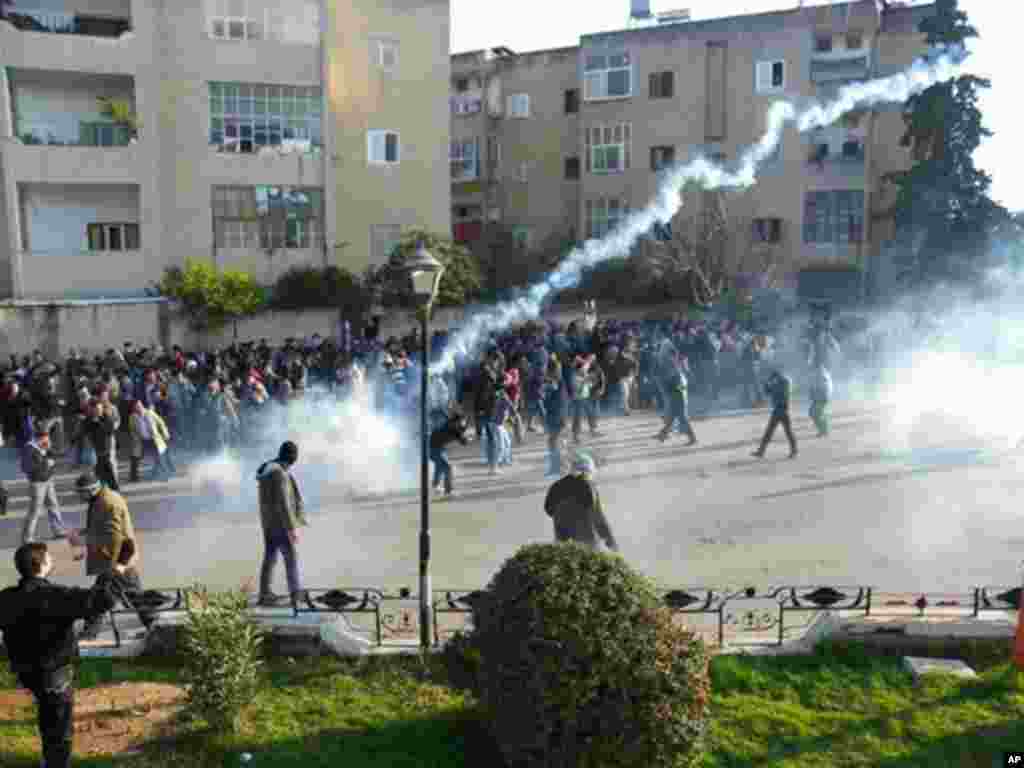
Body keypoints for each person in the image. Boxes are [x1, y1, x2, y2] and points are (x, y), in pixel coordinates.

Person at [0, 542, 124, 768]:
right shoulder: (55, 596)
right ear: (44, 564)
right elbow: (103, 600)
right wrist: (117, 569)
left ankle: (49, 758)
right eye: (50, 557)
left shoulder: (7, 598)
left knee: (48, 717)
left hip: (26, 673)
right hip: (54, 676)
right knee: (59, 732)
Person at [70, 471, 153, 638]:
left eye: (81, 493)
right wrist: (83, 533)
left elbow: (114, 537)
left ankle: (89, 634)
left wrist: (83, 541)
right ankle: (153, 623)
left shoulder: (107, 503)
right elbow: (102, 528)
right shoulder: (102, 498)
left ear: (91, 490)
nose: (79, 497)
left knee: (100, 598)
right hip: (118, 560)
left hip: (115, 561)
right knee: (132, 595)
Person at [256, 441, 307, 607]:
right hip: (280, 524)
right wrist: (291, 528)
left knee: (270, 557)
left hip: (268, 522)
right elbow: (283, 503)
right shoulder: (280, 474)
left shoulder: (268, 469)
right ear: (292, 458)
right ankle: (295, 593)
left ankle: (265, 593)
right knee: (291, 556)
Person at [544, 453, 618, 552]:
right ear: (587, 470)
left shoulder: (555, 487)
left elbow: (549, 510)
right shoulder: (588, 486)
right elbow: (599, 519)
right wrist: (611, 541)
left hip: (562, 544)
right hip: (587, 543)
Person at [22, 426, 69, 543]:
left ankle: (58, 530)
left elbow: (52, 455)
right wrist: (45, 463)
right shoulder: (29, 449)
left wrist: (53, 454)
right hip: (37, 483)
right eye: (46, 439)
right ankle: (27, 537)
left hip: (48, 480)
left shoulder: (44, 446)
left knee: (53, 505)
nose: (48, 441)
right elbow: (27, 467)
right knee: (35, 510)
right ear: (40, 438)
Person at [753, 369, 798, 459]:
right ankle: (793, 450)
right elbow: (769, 392)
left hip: (781, 409)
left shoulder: (783, 383)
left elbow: (772, 392)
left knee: (772, 431)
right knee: (785, 431)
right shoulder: (783, 382)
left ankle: (761, 451)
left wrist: (767, 384)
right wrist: (766, 384)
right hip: (780, 410)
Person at [656, 350, 698, 445]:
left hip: (679, 398)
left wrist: (675, 389)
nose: (670, 360)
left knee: (682, 419)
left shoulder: (678, 369)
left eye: (671, 357)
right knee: (671, 417)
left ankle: (693, 438)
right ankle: (662, 434)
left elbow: (682, 385)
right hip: (676, 397)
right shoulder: (674, 368)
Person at [429, 411, 471, 497]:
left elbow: (460, 433)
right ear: (457, 421)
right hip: (433, 449)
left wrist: (464, 428)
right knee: (447, 467)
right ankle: (448, 491)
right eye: (462, 421)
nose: (463, 423)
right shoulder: (452, 428)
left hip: (437, 448)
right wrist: (468, 437)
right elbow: (463, 441)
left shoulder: (450, 424)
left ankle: (435, 486)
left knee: (440, 466)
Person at [809, 364, 833, 437]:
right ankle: (824, 430)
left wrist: (814, 393)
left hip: (821, 398)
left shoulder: (821, 374)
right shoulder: (820, 374)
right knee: (816, 413)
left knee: (815, 414)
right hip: (820, 398)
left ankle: (824, 430)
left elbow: (822, 387)